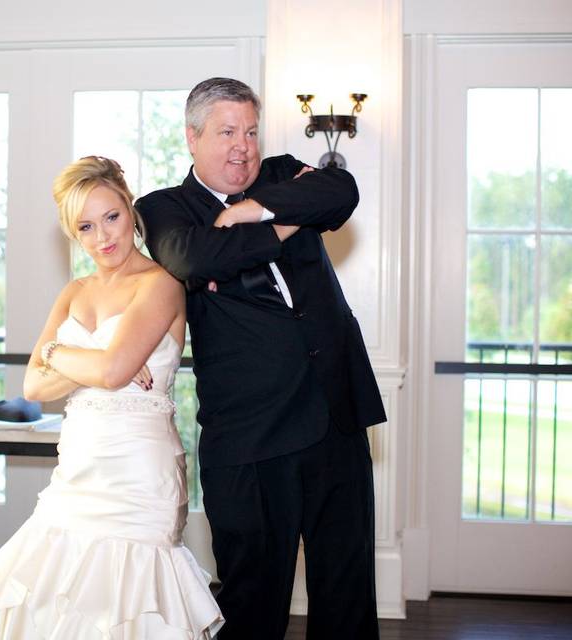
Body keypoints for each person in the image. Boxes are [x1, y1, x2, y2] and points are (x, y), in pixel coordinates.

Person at [0, 156, 224, 639]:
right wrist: (87, 359)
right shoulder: (74, 291)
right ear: (72, 233)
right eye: (86, 226)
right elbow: (33, 387)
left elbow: (109, 369)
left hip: (137, 475)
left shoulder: (161, 284)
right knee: (48, 603)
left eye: (112, 217)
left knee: (128, 609)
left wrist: (67, 355)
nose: (103, 237)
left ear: (130, 208)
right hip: (78, 471)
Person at [136, 77, 387, 639]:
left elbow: (339, 192)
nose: (242, 147)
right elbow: (194, 256)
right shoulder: (164, 208)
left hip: (336, 415)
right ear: (192, 138)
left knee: (347, 589)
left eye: (250, 131)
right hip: (251, 434)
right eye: (226, 132)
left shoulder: (277, 173)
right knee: (255, 599)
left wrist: (248, 210)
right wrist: (283, 219)